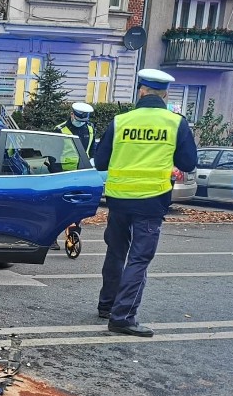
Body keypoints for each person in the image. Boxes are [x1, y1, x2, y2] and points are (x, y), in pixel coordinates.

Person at [93, 69, 197, 337]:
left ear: (141, 90)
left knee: (116, 252)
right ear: (165, 94)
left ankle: (107, 305)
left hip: (118, 199)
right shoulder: (175, 123)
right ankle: (123, 317)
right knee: (139, 258)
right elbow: (188, 163)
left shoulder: (120, 121)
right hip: (151, 200)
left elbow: (101, 162)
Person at [50, 102, 95, 249]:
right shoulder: (60, 130)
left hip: (82, 174)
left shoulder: (90, 129)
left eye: (84, 121)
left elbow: (92, 152)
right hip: (63, 174)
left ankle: (72, 236)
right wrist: (57, 174)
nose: (81, 123)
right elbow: (53, 155)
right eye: (79, 119)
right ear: (72, 115)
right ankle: (51, 238)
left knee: (78, 208)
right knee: (59, 207)